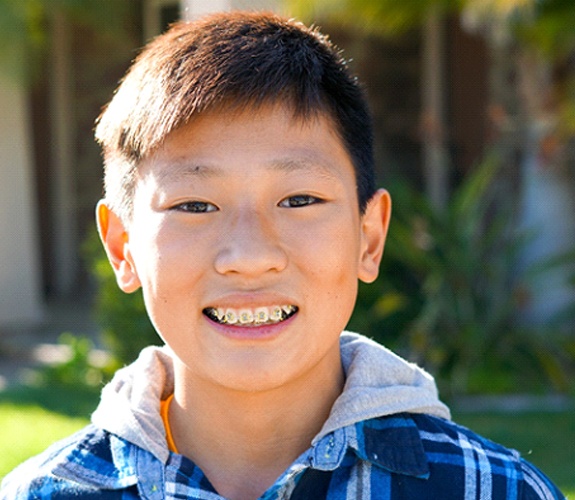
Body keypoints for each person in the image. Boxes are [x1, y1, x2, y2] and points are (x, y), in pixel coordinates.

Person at [1, 11, 565, 500]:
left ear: (368, 237)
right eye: (195, 205)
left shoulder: (495, 490)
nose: (250, 256)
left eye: (299, 199)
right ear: (122, 247)